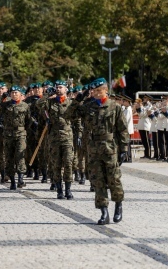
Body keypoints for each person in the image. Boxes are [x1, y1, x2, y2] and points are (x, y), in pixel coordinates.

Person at [73, 78, 128, 225]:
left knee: (114, 178)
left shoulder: (114, 107)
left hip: (110, 147)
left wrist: (124, 149)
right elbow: (70, 114)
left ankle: (118, 204)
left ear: (106, 91)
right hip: (93, 147)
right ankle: (104, 211)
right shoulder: (88, 106)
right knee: (98, 180)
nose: (96, 93)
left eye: (99, 90)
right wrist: (80, 97)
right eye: (94, 91)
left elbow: (122, 129)